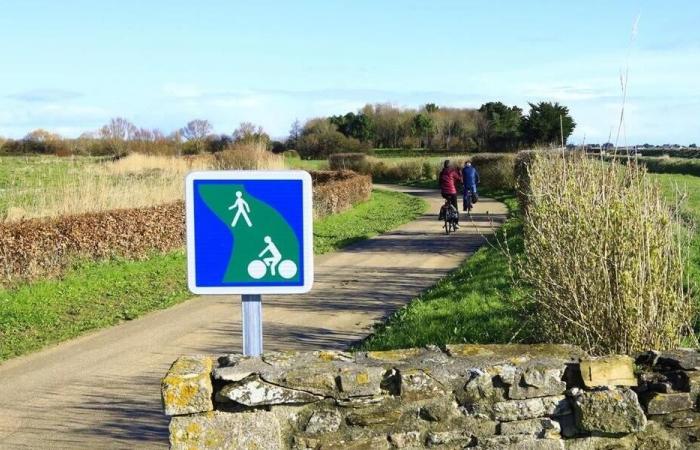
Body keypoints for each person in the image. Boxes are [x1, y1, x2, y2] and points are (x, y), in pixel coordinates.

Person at [438, 160, 462, 228]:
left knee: (447, 203)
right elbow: (460, 179)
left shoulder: (441, 173)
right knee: (455, 207)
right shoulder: (452, 172)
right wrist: (460, 172)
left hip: (444, 192)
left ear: (444, 166)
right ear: (450, 165)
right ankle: (456, 223)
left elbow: (439, 183)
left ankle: (442, 215)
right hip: (452, 192)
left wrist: (442, 186)